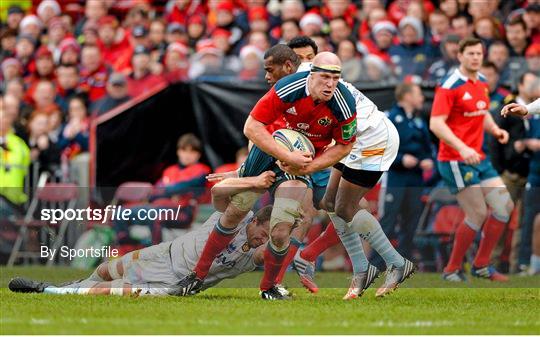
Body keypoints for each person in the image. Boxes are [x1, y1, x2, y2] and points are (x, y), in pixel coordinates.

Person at [178, 51, 358, 300]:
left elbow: (345, 145)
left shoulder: (344, 103)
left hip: (299, 166)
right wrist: (285, 154)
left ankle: (268, 287)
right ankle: (197, 276)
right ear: (311, 74)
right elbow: (251, 126)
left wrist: (307, 166)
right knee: (235, 212)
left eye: (335, 79)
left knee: (282, 228)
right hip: (266, 152)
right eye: (325, 77)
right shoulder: (289, 87)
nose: (330, 84)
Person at [8, 173, 275, 296]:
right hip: (165, 251)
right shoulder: (236, 215)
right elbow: (218, 191)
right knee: (104, 270)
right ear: (256, 221)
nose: (263, 241)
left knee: (105, 291)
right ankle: (70, 287)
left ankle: (48, 291)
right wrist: (254, 182)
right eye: (263, 234)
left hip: (173, 279)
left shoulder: (255, 254)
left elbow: (274, 253)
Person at [429, 37, 513, 282]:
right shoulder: (450, 85)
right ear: (460, 56)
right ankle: (451, 270)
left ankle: (481, 265)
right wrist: (463, 148)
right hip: (455, 159)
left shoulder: (482, 81)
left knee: (504, 207)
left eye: (479, 53)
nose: (476, 57)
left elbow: (481, 110)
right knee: (477, 213)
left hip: (478, 157)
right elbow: (436, 123)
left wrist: (495, 129)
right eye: (471, 54)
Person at [378, 83, 434, 263]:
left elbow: (428, 147)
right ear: (407, 96)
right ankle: (375, 263)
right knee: (388, 220)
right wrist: (401, 159)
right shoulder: (390, 118)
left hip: (415, 178)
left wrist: (428, 159)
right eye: (418, 94)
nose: (422, 98)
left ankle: (403, 262)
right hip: (395, 177)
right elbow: (380, 148)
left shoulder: (419, 120)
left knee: (412, 221)